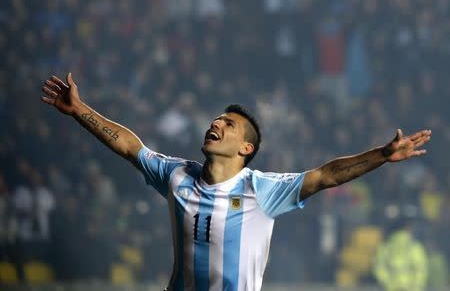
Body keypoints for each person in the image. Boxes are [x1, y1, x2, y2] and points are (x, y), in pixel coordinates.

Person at [41, 73, 432, 291]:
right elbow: (130, 147)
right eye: (216, 119)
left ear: (246, 148)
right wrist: (79, 111)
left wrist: (382, 155)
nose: (216, 124)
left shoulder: (261, 190)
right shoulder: (177, 176)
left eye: (228, 124)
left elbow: (327, 175)